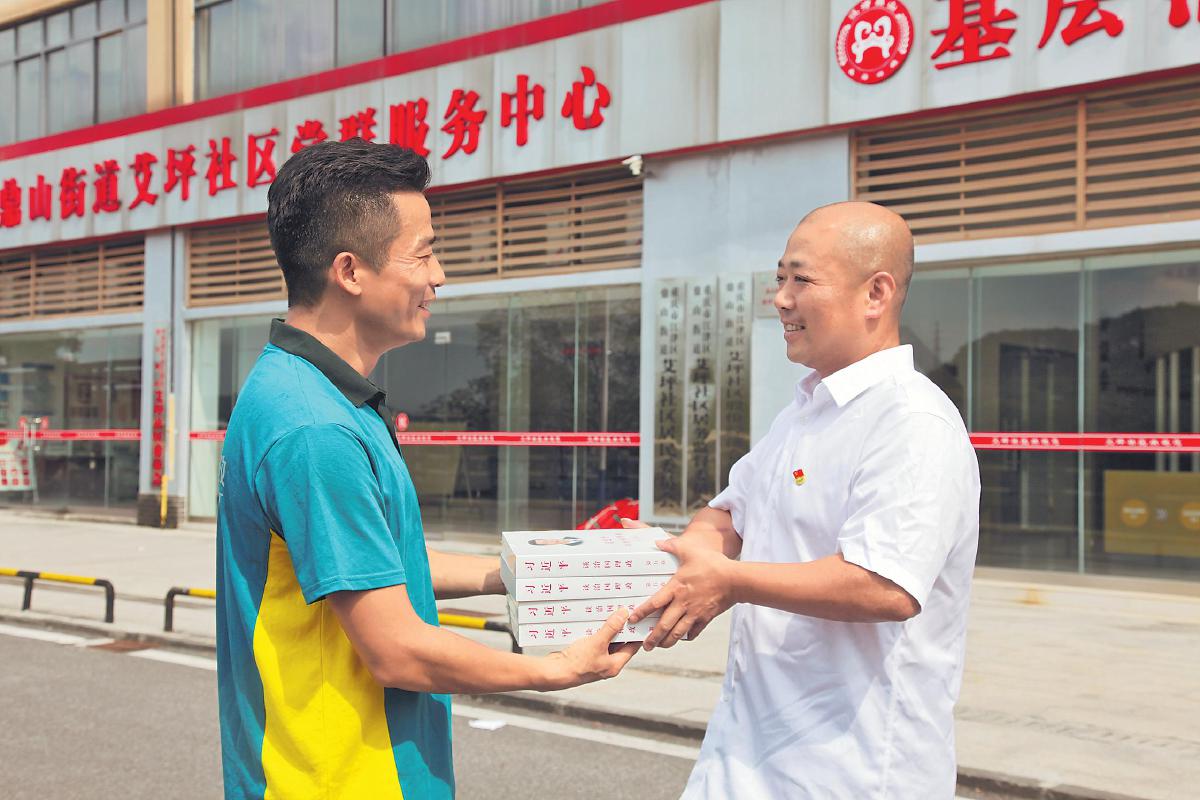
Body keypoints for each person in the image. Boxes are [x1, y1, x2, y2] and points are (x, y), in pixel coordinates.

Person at [215, 139, 638, 800]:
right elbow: (396, 649)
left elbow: (375, 565)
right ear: (350, 271)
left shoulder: (309, 395)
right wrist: (557, 669)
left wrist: (527, 574)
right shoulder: (314, 427)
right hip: (340, 782)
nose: (439, 275)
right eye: (423, 253)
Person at [627, 201, 980, 798]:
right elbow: (729, 511)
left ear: (876, 293)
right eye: (779, 278)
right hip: (748, 750)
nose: (781, 299)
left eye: (802, 280)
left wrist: (729, 582)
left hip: (850, 770)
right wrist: (690, 558)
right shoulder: (806, 410)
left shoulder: (912, 421)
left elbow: (884, 585)